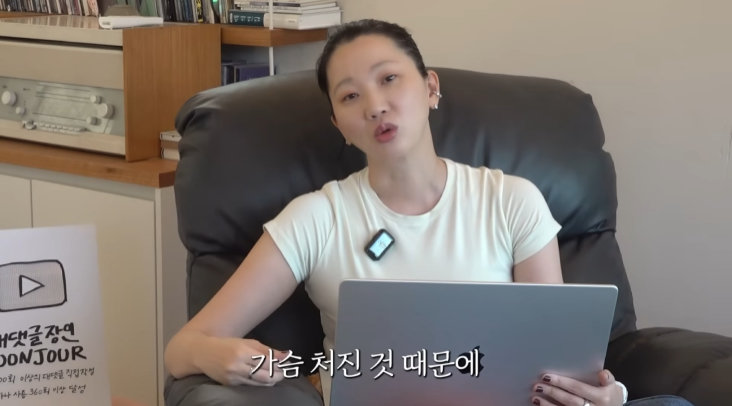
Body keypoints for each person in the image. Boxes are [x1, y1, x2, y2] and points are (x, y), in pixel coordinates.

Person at [164, 19, 693, 406]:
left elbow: (554, 361)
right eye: (350, 96)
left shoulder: (512, 200)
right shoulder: (315, 219)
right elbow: (183, 348)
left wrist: (602, 395)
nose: (374, 105)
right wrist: (216, 356)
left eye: (389, 79)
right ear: (339, 125)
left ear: (431, 87)